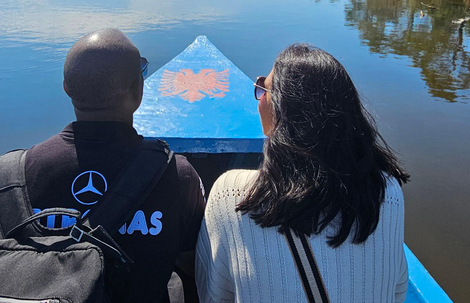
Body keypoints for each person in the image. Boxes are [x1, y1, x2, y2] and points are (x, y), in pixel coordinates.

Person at [196, 43, 410, 303]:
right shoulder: (388, 192)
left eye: (264, 87)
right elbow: (398, 292)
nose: (260, 93)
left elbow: (213, 296)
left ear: (279, 111)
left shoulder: (232, 194)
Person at [21, 28, 206, 302]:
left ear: (66, 88)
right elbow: (197, 266)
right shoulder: (178, 176)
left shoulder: (14, 176)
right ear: (138, 90)